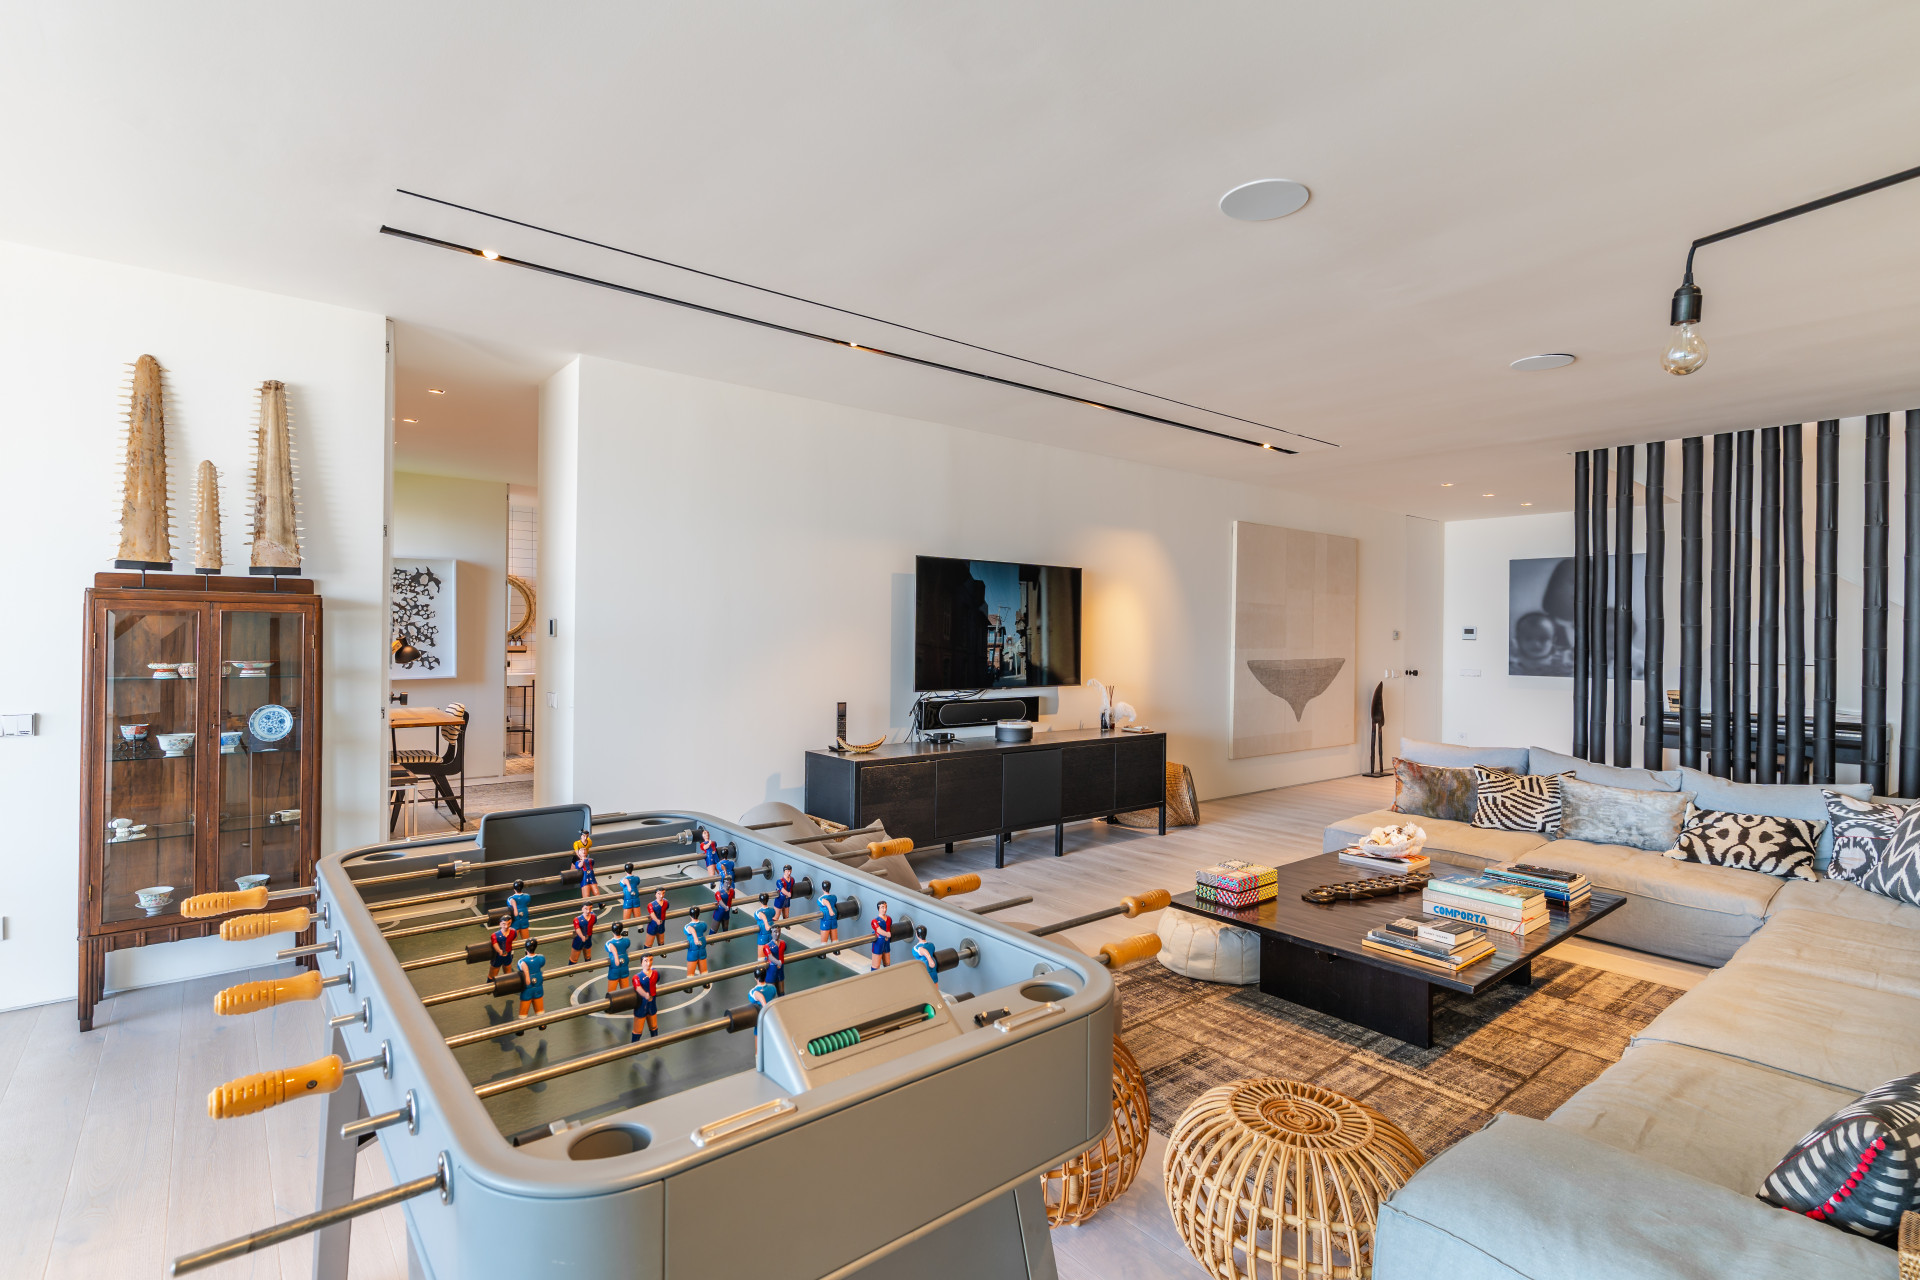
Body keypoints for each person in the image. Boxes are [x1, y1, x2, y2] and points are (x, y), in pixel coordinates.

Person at [514, 936, 547, 1032]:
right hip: (538, 987)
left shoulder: (521, 961)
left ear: (525, 948)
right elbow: (541, 963)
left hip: (527, 989)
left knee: (524, 1007)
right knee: (539, 1006)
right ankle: (542, 1024)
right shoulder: (541, 958)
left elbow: (521, 967)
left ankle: (521, 1027)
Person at [630, 952, 660, 1041]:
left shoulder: (655, 974)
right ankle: (634, 1045)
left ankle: (656, 1042)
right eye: (646, 961)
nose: (648, 963)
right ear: (641, 963)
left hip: (652, 1003)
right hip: (641, 1004)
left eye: (651, 960)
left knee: (653, 1026)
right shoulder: (637, 977)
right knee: (638, 1029)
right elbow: (638, 987)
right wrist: (645, 995)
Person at [683, 906, 710, 982]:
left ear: (690, 915)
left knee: (691, 970)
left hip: (693, 950)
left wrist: (695, 937)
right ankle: (706, 982)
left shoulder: (687, 926)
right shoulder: (703, 924)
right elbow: (703, 929)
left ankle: (689, 984)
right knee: (703, 966)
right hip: (702, 948)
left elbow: (690, 929)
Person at [747, 966, 778, 1033]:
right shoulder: (772, 988)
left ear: (755, 978)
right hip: (771, 1017)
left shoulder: (752, 992)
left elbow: (752, 1000)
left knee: (758, 1035)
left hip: (760, 1020)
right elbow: (773, 995)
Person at [604, 921, 632, 992]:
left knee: (611, 993)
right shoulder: (627, 941)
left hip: (614, 970)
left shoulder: (609, 943)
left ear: (612, 931)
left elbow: (608, 947)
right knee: (625, 992)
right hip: (624, 969)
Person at [570, 835, 597, 901]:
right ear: (581, 836)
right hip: (579, 858)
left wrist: (584, 856)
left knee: (595, 890)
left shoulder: (589, 842)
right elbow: (577, 852)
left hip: (588, 874)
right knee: (573, 872)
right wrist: (580, 857)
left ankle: (599, 902)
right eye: (584, 836)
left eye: (586, 836)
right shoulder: (577, 843)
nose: (585, 837)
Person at [753, 894, 778, 959]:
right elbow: (773, 915)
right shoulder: (772, 910)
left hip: (762, 936)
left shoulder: (757, 912)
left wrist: (765, 922)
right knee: (771, 955)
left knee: (761, 958)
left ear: (760, 901)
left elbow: (759, 915)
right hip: (771, 935)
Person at [870, 900, 893, 969]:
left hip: (886, 942)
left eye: (885, 907)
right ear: (879, 908)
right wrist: (887, 934)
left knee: (887, 963)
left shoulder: (889, 919)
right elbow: (878, 930)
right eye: (882, 907)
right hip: (878, 942)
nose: (884, 909)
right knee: (876, 965)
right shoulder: (875, 921)